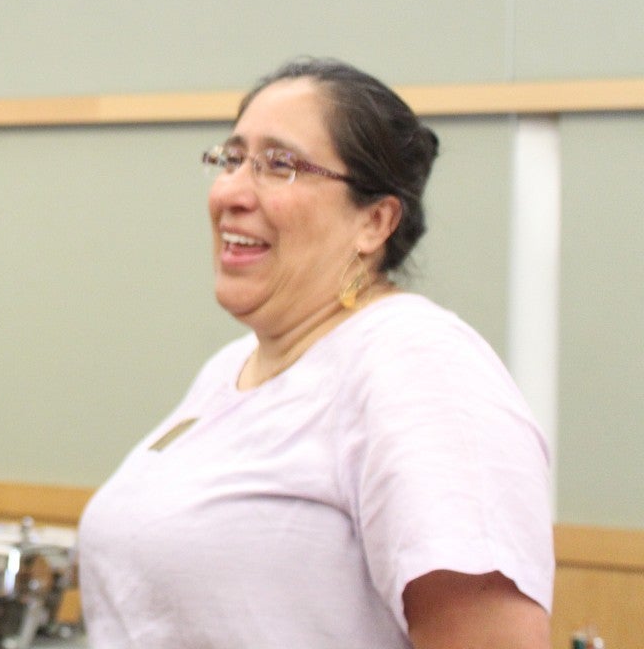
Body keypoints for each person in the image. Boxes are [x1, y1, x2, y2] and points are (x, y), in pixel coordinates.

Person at [78, 57, 554, 648]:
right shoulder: (230, 369)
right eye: (231, 159)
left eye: (279, 165)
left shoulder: (420, 368)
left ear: (375, 221)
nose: (229, 191)